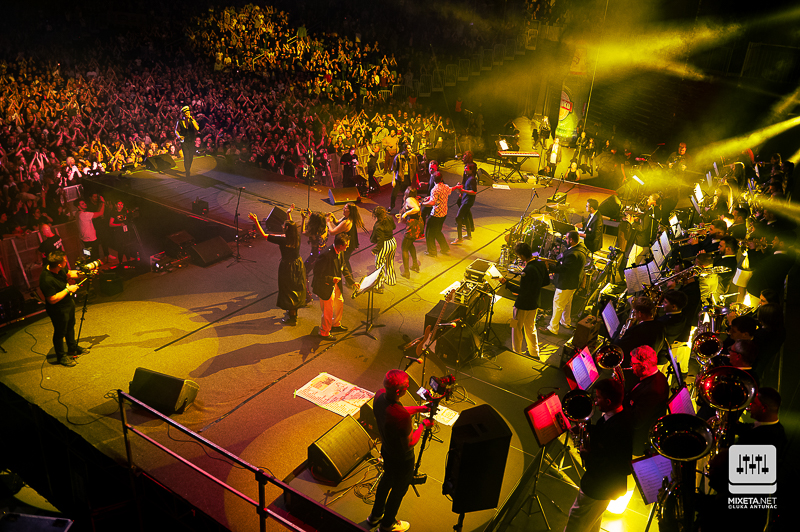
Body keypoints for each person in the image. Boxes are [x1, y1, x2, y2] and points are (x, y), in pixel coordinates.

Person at [563, 378, 633, 532]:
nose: (595, 401)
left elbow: (620, 465)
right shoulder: (615, 415)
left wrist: (588, 456)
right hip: (604, 487)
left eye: (598, 397)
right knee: (592, 521)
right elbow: (604, 433)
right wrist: (587, 431)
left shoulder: (619, 428)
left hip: (599, 486)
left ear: (608, 401)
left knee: (576, 521)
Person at [367, 370, 432, 532]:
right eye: (407, 387)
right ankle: (387, 525)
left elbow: (398, 410)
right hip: (402, 460)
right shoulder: (401, 418)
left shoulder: (379, 396)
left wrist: (418, 409)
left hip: (387, 451)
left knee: (386, 480)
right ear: (399, 391)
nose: (408, 388)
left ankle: (375, 516)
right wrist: (423, 425)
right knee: (398, 490)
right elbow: (410, 443)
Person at [249, 207, 307, 326]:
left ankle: (292, 318)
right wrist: (288, 214)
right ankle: (293, 312)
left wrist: (255, 221)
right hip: (298, 264)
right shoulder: (296, 236)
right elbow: (292, 227)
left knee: (288, 289)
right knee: (296, 287)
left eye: (284, 226)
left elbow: (265, 235)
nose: (282, 226)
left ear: (286, 229)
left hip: (287, 267)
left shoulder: (283, 239)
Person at [39, 250, 94, 367]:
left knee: (70, 326)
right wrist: (68, 289)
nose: (66, 261)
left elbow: (69, 273)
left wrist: (86, 273)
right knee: (60, 332)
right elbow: (52, 299)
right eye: (64, 261)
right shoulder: (46, 279)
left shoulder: (59, 268)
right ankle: (61, 356)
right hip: (57, 309)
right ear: (59, 264)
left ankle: (72, 347)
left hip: (68, 303)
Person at [500, 243, 550, 358]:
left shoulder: (527, 270)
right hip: (534, 302)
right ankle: (534, 352)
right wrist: (535, 287)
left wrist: (507, 284)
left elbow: (522, 291)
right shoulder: (540, 264)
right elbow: (546, 282)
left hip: (522, 304)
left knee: (516, 328)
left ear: (522, 256)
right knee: (531, 328)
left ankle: (516, 352)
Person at [312, 233, 360, 340]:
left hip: (335, 284)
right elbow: (317, 273)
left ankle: (335, 324)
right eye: (346, 245)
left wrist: (351, 281)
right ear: (340, 245)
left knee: (339, 302)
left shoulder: (340, 252)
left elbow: (343, 266)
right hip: (325, 286)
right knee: (327, 310)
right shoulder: (325, 255)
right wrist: (331, 279)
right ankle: (324, 332)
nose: (347, 247)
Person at [540, 231, 588, 336]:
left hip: (566, 283)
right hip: (574, 283)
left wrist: (549, 267)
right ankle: (565, 322)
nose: (565, 240)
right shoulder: (581, 248)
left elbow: (563, 269)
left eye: (566, 239)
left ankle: (553, 328)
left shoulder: (572, 254)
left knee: (558, 304)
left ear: (571, 240)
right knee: (567, 302)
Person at [626, 346, 669, 455]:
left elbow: (636, 422)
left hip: (637, 440)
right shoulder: (658, 376)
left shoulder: (653, 391)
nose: (631, 366)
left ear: (644, 367)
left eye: (634, 364)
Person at [613, 296, 666, 364]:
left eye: (635, 312)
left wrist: (622, 335)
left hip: (638, 365)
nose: (634, 314)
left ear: (640, 314)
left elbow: (619, 345)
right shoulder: (660, 325)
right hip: (652, 359)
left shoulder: (636, 331)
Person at [421, 172, 461, 257]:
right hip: (444, 213)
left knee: (429, 233)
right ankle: (444, 247)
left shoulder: (435, 189)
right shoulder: (445, 186)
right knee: (437, 231)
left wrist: (422, 204)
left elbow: (432, 202)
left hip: (436, 214)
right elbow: (451, 189)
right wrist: (457, 187)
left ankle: (432, 251)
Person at [327, 203, 364, 279]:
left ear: (350, 211)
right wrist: (333, 217)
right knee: (344, 261)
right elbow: (337, 223)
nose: (343, 209)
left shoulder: (346, 222)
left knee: (345, 262)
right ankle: (348, 279)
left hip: (346, 246)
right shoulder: (346, 218)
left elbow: (332, 232)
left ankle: (350, 280)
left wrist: (328, 222)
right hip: (347, 243)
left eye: (345, 208)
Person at [396, 187, 423, 278]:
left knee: (404, 248)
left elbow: (416, 209)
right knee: (410, 245)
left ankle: (406, 272)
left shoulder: (409, 199)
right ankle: (415, 265)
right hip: (417, 225)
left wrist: (406, 214)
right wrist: (402, 214)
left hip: (412, 227)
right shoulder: (414, 199)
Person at [370, 207, 397, 292]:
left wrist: (375, 250)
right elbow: (394, 227)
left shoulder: (378, 226)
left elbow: (380, 241)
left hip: (384, 245)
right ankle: (391, 280)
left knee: (379, 266)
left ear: (375, 215)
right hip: (392, 242)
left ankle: (378, 286)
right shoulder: (389, 217)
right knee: (390, 262)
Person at [452, 162, 477, 244]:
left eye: (467, 168)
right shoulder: (468, 177)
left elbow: (474, 191)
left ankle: (459, 238)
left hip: (468, 201)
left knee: (458, 218)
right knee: (465, 216)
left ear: (471, 170)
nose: (465, 170)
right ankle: (468, 235)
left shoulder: (472, 179)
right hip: (465, 199)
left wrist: (463, 191)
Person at [75, 197, 105, 261]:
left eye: (84, 203)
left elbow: (96, 214)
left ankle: (91, 268)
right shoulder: (84, 214)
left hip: (84, 239)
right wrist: (103, 203)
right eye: (82, 204)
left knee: (88, 255)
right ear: (79, 207)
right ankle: (96, 269)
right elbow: (100, 213)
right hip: (90, 239)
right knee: (95, 256)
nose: (85, 204)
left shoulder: (77, 214)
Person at [175, 105, 200, 178]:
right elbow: (176, 131)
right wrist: (179, 136)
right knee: (186, 156)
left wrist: (192, 120)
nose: (188, 114)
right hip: (184, 141)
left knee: (191, 156)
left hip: (191, 141)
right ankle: (187, 170)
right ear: (183, 114)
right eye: (186, 112)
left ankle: (188, 168)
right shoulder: (180, 122)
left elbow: (197, 128)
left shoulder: (192, 120)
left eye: (188, 112)